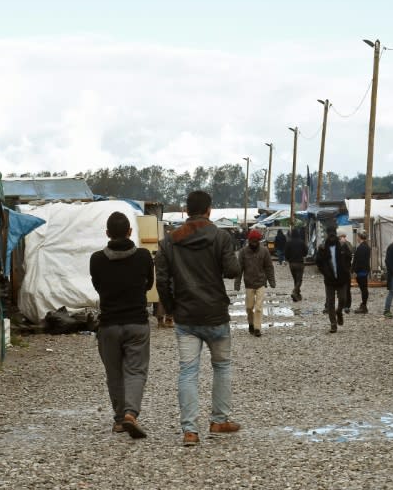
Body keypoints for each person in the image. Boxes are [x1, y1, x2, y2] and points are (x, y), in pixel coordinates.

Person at [154, 190, 242, 447]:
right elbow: (232, 270)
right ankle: (219, 420)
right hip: (215, 314)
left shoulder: (169, 241)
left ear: (185, 210)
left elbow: (161, 280)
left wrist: (171, 309)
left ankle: (190, 431)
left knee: (188, 372)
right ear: (209, 210)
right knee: (222, 367)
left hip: (186, 317)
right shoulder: (220, 237)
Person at [89, 211, 154, 439]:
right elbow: (149, 284)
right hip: (137, 323)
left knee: (114, 373)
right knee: (135, 371)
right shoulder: (144, 256)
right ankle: (130, 414)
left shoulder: (96, 259)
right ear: (130, 232)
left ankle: (119, 420)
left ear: (107, 234)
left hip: (108, 326)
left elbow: (98, 286)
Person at [234, 230, 275, 337]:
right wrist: (237, 283)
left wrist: (271, 281)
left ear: (258, 241)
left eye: (255, 241)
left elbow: (269, 267)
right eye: (252, 241)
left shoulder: (264, 251)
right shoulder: (243, 252)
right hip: (248, 283)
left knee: (258, 308)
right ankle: (251, 324)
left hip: (261, 283)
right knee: (249, 307)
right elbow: (239, 269)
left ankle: (257, 328)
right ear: (249, 241)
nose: (254, 242)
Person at [315, 225, 353, 333]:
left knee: (343, 299)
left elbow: (349, 257)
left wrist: (346, 270)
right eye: (329, 233)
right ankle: (333, 324)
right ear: (327, 234)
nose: (331, 236)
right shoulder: (323, 247)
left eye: (333, 233)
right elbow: (318, 262)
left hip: (342, 279)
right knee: (330, 302)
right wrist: (325, 272)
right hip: (329, 280)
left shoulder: (342, 246)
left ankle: (339, 311)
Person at [284, 227, 308, 302]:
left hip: (292, 264)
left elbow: (286, 253)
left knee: (295, 279)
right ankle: (295, 292)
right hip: (300, 263)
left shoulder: (288, 242)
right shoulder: (301, 242)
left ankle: (297, 294)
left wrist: (288, 259)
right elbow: (305, 252)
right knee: (299, 280)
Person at [351, 231, 371, 314]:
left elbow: (358, 261)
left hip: (361, 271)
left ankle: (363, 306)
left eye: (358, 237)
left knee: (363, 289)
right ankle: (363, 305)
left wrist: (354, 271)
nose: (357, 238)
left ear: (359, 237)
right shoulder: (366, 246)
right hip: (364, 270)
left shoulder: (361, 248)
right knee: (364, 289)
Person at [338, 233, 354, 314]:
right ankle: (342, 304)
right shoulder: (337, 247)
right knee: (341, 289)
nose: (343, 239)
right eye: (341, 237)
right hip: (340, 272)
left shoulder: (347, 246)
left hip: (346, 271)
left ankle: (347, 305)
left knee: (347, 289)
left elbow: (350, 255)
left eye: (344, 237)